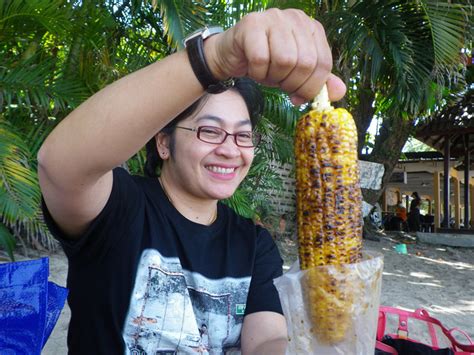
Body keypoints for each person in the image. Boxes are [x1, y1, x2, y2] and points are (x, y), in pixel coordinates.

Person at [38, 8, 346, 355]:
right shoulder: (121, 208)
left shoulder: (253, 244)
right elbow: (60, 164)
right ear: (164, 142)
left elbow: (266, 339)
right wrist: (215, 56)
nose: (231, 149)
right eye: (210, 131)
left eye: (243, 136)